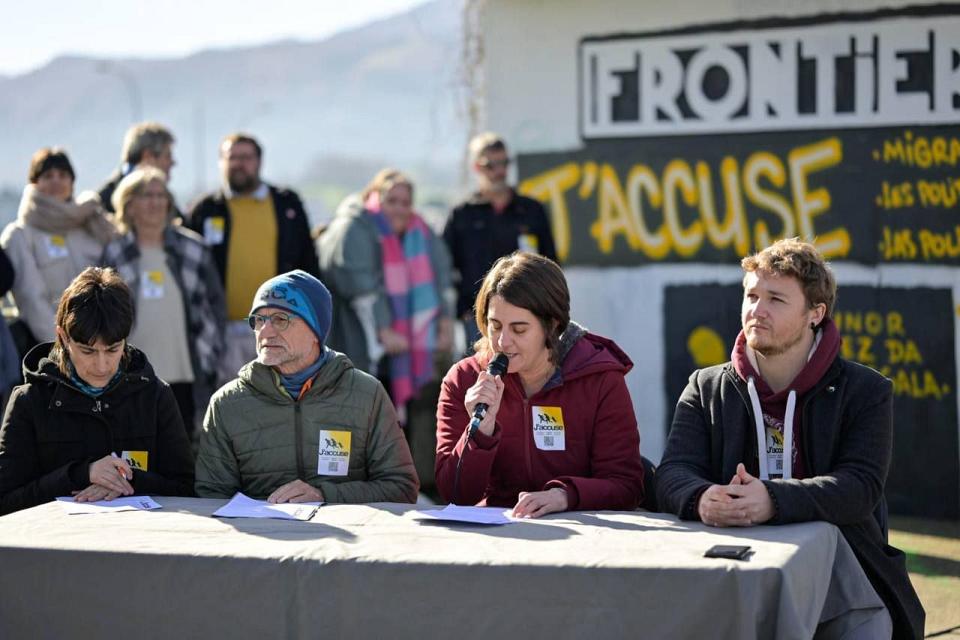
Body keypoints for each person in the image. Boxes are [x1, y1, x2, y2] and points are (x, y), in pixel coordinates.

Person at [656, 239, 924, 639]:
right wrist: (701, 498)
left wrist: (773, 499)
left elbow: (860, 486)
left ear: (815, 313)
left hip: (845, 578)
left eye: (776, 299)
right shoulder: (705, 385)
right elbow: (673, 472)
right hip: (729, 576)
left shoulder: (866, 390)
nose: (756, 310)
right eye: (751, 295)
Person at [435, 252, 644, 517]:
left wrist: (566, 496)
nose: (502, 342)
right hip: (497, 540)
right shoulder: (464, 380)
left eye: (519, 329)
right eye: (495, 325)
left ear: (552, 325)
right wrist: (479, 433)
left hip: (579, 536)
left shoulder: (600, 379)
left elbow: (627, 486)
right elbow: (454, 495)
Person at [194, 270, 419, 504]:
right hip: (263, 539)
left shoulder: (366, 393)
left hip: (344, 539)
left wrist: (324, 495)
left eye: (280, 319)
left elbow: (401, 488)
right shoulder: (226, 404)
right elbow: (210, 496)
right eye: (259, 320)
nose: (265, 332)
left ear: (315, 332)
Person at [0, 267, 195, 515]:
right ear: (62, 337)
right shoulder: (29, 402)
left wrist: (127, 481)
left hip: (139, 547)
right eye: (88, 351)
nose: (102, 366)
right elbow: (5, 502)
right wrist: (81, 474)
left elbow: (187, 490)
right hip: (57, 548)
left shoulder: (156, 396)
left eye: (113, 349)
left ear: (126, 339)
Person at [319, 169, 454, 497]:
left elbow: (442, 279)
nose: (399, 208)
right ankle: (370, 484)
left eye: (405, 201)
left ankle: (411, 483)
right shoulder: (356, 227)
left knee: (410, 413)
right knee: (367, 414)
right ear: (375, 197)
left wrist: (446, 322)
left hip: (409, 351)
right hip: (363, 344)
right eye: (391, 200)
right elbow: (361, 286)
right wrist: (382, 329)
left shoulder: (421, 233)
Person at [186, 133, 320, 386]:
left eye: (246, 157)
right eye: (232, 157)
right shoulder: (204, 209)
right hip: (222, 333)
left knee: (281, 401)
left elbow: (308, 263)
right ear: (221, 162)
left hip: (281, 326)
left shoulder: (286, 204)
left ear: (259, 161)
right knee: (230, 406)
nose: (239, 164)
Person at [102, 167, 226, 433]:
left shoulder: (194, 248)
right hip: (131, 374)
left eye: (161, 195)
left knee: (180, 453)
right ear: (129, 204)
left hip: (187, 373)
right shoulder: (115, 252)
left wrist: (212, 351)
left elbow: (215, 306)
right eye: (147, 195)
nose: (155, 202)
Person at [443, 132, 557, 348]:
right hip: (479, 317)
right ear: (477, 167)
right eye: (490, 165)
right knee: (482, 375)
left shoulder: (531, 210)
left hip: (527, 312)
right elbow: (445, 268)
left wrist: (546, 308)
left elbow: (550, 263)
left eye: (504, 163)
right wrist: (461, 310)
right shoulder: (462, 215)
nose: (499, 171)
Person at [1, 148, 116, 347]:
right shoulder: (20, 235)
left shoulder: (92, 227)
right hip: (49, 347)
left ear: (72, 183)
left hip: (100, 347)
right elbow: (31, 299)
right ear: (34, 183)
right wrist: (63, 346)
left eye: (63, 175)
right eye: (47, 176)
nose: (56, 181)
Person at [97, 122, 177, 213]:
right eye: (168, 156)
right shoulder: (103, 203)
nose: (173, 163)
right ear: (148, 157)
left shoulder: (165, 197)